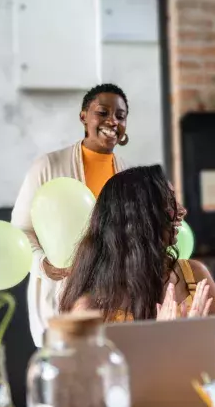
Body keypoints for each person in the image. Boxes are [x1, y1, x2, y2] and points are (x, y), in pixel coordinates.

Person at [59, 165, 215, 383]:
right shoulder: (90, 306)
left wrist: (192, 349)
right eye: (170, 203)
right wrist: (167, 344)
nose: (182, 210)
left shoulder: (195, 275)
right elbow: (87, 388)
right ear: (139, 217)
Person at [11, 83, 129, 347]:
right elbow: (19, 230)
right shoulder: (48, 166)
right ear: (84, 116)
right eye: (103, 112)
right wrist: (43, 264)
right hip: (63, 299)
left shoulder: (127, 175)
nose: (112, 121)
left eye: (120, 116)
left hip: (117, 300)